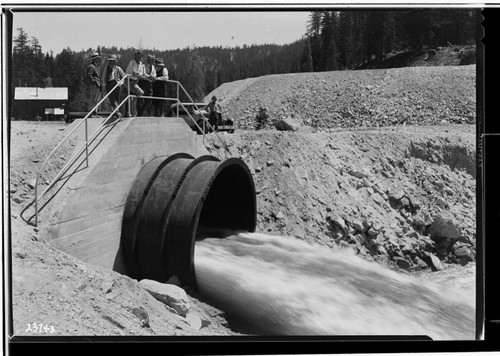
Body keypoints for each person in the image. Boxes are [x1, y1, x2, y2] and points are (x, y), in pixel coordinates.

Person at [124, 50, 146, 117]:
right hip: (129, 81)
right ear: (135, 56)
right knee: (140, 92)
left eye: (140, 56)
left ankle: (131, 113)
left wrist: (138, 74)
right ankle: (130, 112)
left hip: (135, 81)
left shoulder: (141, 64)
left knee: (132, 98)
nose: (139, 57)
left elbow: (141, 73)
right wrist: (138, 74)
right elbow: (133, 72)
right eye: (137, 56)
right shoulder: (132, 62)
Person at [86, 52, 102, 117]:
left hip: (97, 85)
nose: (98, 60)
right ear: (94, 59)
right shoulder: (91, 66)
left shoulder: (96, 67)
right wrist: (95, 82)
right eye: (97, 58)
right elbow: (89, 76)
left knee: (97, 99)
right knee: (93, 99)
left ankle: (95, 112)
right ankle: (91, 112)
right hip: (94, 85)